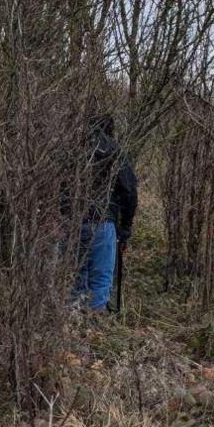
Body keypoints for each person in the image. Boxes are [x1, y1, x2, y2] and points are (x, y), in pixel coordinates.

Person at [72, 113, 138, 311]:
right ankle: (94, 330)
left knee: (76, 280)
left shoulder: (75, 151)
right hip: (103, 222)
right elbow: (129, 191)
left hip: (74, 222)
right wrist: (125, 229)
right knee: (101, 280)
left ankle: (74, 328)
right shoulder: (115, 151)